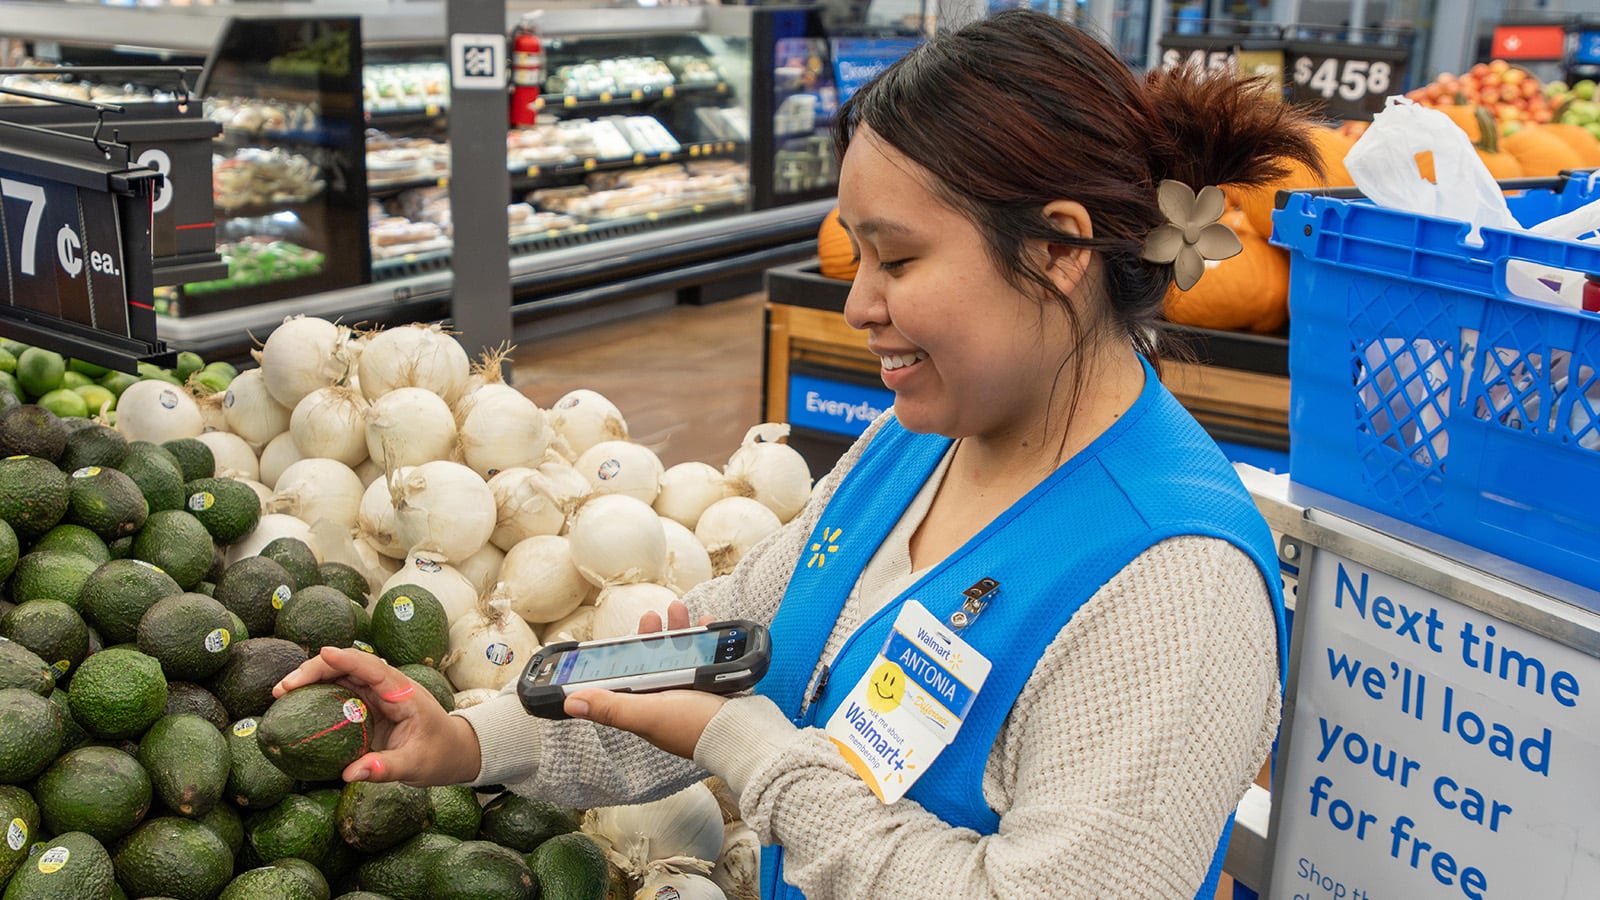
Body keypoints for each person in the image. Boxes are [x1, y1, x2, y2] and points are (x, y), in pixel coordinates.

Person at [276, 10, 1323, 898]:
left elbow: (737, 732)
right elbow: (715, 664)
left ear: (1055, 247)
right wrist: (468, 742)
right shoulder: (910, 448)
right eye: (854, 252)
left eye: (899, 258)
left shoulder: (1175, 584)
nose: (859, 304)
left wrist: (757, 759)